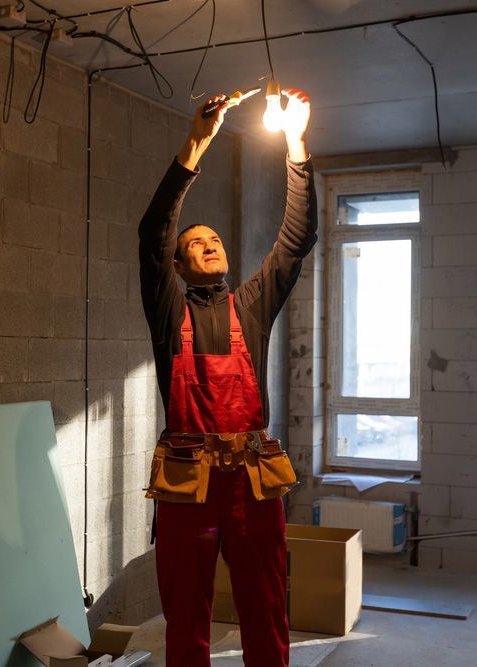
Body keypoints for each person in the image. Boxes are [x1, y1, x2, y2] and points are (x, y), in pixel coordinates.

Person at [137, 88, 317, 667]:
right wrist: (197, 145)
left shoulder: (253, 305)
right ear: (179, 265)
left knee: (265, 607)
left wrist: (296, 142)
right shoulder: (170, 314)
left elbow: (296, 241)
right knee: (186, 615)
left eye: (215, 240)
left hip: (251, 482)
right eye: (195, 243)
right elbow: (151, 234)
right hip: (188, 483)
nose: (209, 244)